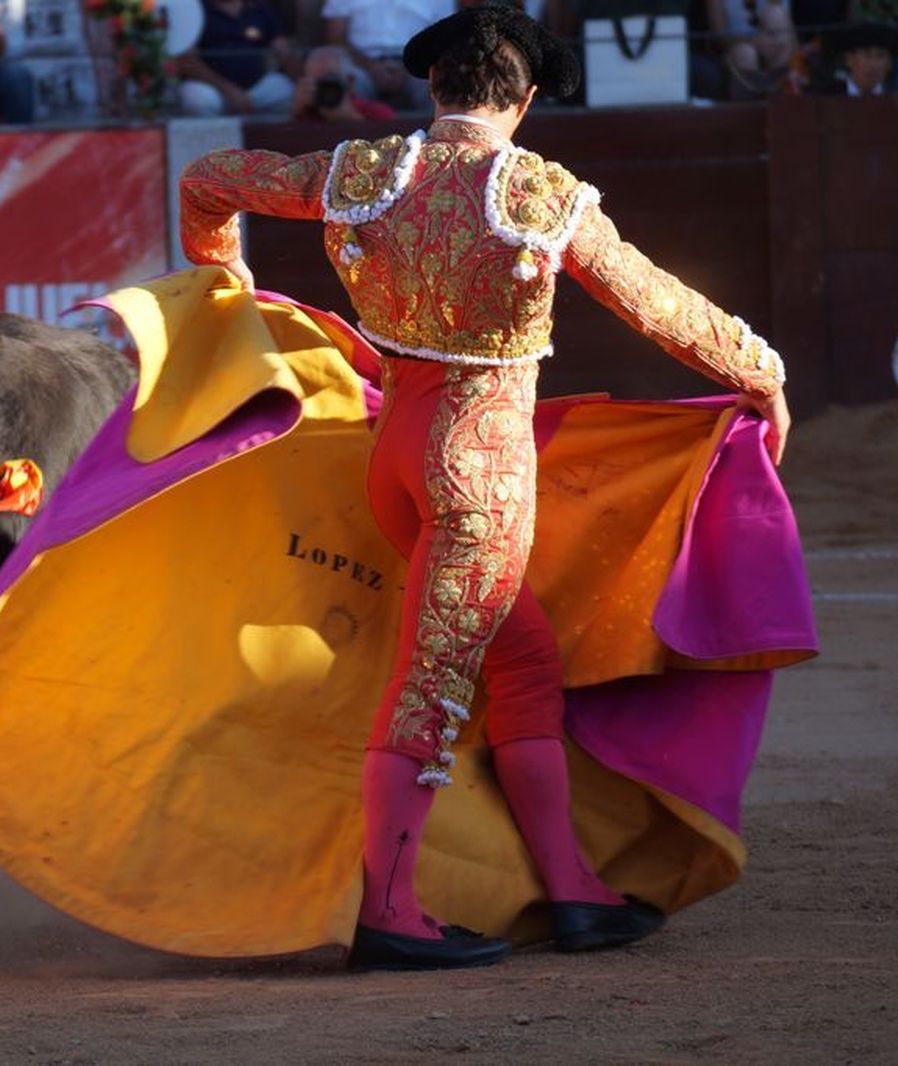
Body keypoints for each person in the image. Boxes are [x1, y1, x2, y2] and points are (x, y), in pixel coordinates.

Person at [179, 6, 791, 969]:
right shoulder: (541, 197)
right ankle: (389, 910)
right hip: (479, 475)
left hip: (397, 457)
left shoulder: (364, 173)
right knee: (431, 684)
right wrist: (761, 372)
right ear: (528, 98)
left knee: (521, 666)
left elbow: (209, 180)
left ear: (435, 87)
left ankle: (575, 892)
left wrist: (228, 293)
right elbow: (653, 302)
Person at [175, 0, 299, 117]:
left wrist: (304, 84)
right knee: (198, 100)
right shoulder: (195, 11)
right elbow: (186, 62)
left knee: (287, 91)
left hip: (255, 89)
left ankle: (268, 139)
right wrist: (229, 91)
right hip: (213, 91)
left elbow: (284, 52)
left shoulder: (258, 8)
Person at [321, 0, 452, 110]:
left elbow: (444, 39)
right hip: (360, 64)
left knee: (439, 82)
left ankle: (437, 138)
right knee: (342, 83)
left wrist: (409, 66)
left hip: (417, 63)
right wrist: (369, 66)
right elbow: (335, 38)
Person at [292, 42, 397, 120]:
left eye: (331, 81)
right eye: (318, 83)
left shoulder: (378, 113)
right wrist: (296, 112)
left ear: (350, 82)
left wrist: (352, 118)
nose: (326, 89)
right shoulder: (303, 115)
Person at [818, 20, 898, 93]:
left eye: (880, 56)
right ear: (849, 59)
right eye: (867, 55)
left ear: (890, 63)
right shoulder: (826, 97)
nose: (873, 64)